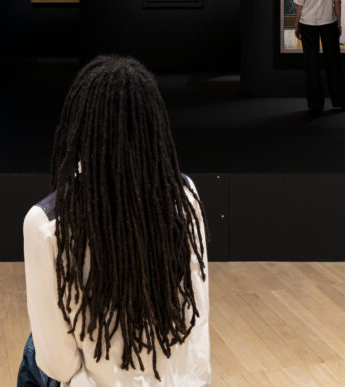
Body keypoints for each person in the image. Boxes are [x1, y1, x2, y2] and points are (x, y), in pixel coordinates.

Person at [19, 55, 210, 387]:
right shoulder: (186, 196)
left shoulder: (46, 224)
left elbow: (57, 365)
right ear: (153, 125)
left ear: (80, 127)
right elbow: (198, 314)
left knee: (34, 349)